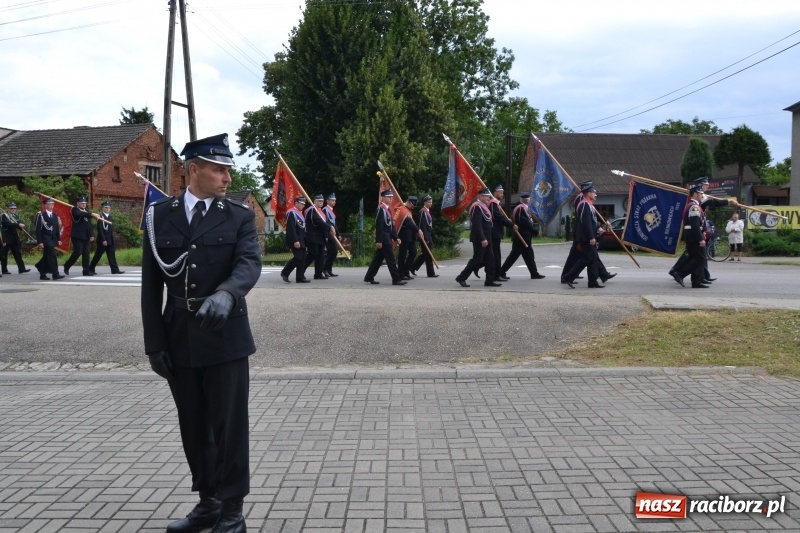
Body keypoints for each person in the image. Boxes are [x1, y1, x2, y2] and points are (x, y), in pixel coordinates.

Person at [141, 133, 261, 533]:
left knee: (229, 429)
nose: (227, 177)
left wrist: (228, 294)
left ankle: (232, 512)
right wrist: (154, 344)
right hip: (179, 338)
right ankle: (207, 503)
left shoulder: (239, 215)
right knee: (194, 426)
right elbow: (150, 285)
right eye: (218, 169)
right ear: (194, 170)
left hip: (225, 337)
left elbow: (248, 264)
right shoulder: (159, 216)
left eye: (228, 169)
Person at [669, 176, 739, 284]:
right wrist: (729, 201)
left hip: (696, 232)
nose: (707, 186)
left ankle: (698, 277)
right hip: (694, 233)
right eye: (705, 185)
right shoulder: (696, 203)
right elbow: (713, 204)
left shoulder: (698, 200)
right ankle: (680, 272)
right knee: (698, 257)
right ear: (698, 189)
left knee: (694, 255)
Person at [560, 184, 616, 285]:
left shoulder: (589, 204)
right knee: (587, 258)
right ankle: (568, 277)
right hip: (585, 238)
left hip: (588, 237)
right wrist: (591, 237)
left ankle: (594, 281)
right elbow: (586, 222)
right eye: (594, 192)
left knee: (593, 258)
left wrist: (600, 227)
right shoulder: (584, 204)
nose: (596, 195)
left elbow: (593, 221)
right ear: (588, 193)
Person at [456, 188, 501, 288]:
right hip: (480, 239)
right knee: (476, 259)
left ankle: (489, 280)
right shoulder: (477, 207)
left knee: (491, 260)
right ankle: (461, 278)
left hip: (487, 238)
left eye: (488, 196)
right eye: (486, 196)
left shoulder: (483, 206)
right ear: (479, 196)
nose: (488, 198)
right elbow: (477, 225)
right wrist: (482, 238)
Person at [364, 189, 406, 285]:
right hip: (384, 238)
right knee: (391, 259)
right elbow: (379, 226)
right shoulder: (381, 209)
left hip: (387, 237)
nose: (391, 198)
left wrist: (396, 237)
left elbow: (390, 226)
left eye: (391, 197)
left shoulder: (387, 210)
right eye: (388, 197)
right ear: (383, 197)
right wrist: (379, 240)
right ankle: (396, 279)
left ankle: (369, 276)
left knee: (378, 259)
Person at [671, 185, 709, 288]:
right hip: (694, 236)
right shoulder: (694, 207)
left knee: (693, 257)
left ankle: (696, 281)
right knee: (700, 258)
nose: (702, 195)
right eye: (701, 194)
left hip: (692, 235)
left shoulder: (694, 205)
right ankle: (680, 273)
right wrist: (700, 238)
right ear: (695, 194)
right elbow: (695, 224)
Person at [500, 193, 545, 280]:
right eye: (529, 200)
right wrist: (534, 231)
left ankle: (534, 273)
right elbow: (524, 222)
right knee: (513, 257)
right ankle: (501, 272)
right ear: (526, 200)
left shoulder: (525, 208)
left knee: (529, 256)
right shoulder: (520, 208)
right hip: (520, 237)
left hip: (526, 237)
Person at [487, 185, 516, 280]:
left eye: (502, 192)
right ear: (495, 193)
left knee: (495, 255)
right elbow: (497, 217)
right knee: (495, 255)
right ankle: (496, 275)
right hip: (493, 232)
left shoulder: (496, 204)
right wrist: (511, 225)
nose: (502, 194)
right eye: (500, 192)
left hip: (496, 233)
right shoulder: (492, 204)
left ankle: (497, 273)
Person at [63, 196, 97, 276]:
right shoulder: (74, 209)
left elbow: (89, 225)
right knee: (78, 252)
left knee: (86, 253)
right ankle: (67, 265)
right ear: (78, 203)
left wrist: (91, 235)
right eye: (82, 203)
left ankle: (86, 270)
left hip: (86, 236)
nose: (84, 205)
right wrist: (92, 214)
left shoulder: (87, 211)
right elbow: (79, 214)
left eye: (85, 203)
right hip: (77, 236)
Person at [89, 201, 124, 274]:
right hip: (103, 240)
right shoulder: (100, 216)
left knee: (112, 255)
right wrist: (103, 240)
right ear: (103, 208)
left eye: (108, 208)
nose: (107, 209)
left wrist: (112, 239)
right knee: (98, 255)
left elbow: (110, 229)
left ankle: (115, 270)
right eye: (106, 207)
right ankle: (91, 268)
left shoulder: (110, 217)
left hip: (110, 240)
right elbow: (100, 229)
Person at [34, 197, 65, 280]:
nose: (51, 206)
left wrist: (58, 239)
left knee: (47, 257)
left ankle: (41, 270)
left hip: (53, 239)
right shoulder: (41, 215)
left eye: (52, 204)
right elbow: (38, 230)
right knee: (52, 256)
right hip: (45, 239)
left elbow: (56, 230)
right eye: (49, 204)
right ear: (45, 205)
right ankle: (55, 274)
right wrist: (40, 242)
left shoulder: (55, 216)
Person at [280, 196, 310, 283]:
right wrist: (295, 240)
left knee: (303, 258)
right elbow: (291, 228)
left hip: (301, 239)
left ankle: (300, 277)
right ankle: (285, 272)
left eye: (304, 204)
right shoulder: (292, 212)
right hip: (295, 239)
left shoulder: (299, 213)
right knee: (298, 257)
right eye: (301, 204)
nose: (303, 206)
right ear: (296, 203)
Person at [304, 194, 330, 280]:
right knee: (312, 255)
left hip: (320, 237)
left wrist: (326, 235)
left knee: (320, 256)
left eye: (322, 201)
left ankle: (318, 274)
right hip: (312, 237)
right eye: (319, 201)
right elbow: (318, 221)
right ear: (314, 201)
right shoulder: (312, 210)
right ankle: (301, 271)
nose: (321, 203)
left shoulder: (321, 211)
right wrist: (330, 228)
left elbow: (325, 223)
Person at [410, 194, 438, 278]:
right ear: (425, 202)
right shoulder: (423, 212)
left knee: (425, 254)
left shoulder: (427, 211)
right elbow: (422, 226)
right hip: (425, 236)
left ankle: (413, 267)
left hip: (428, 235)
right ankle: (431, 273)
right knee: (428, 255)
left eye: (431, 202)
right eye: (429, 202)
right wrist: (425, 238)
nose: (430, 203)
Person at [397, 196, 423, 280]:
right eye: (413, 205)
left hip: (410, 236)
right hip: (403, 236)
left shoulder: (408, 210)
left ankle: (406, 270)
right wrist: (418, 230)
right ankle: (401, 273)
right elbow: (408, 222)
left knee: (413, 253)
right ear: (409, 202)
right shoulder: (401, 209)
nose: (413, 207)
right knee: (402, 255)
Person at [1, 202, 31, 275]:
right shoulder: (4, 216)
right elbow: (7, 224)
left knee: (17, 253)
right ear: (8, 209)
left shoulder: (16, 216)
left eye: (14, 208)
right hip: (6, 238)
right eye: (11, 208)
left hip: (14, 238)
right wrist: (18, 225)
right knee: (4, 255)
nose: (13, 209)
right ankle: (4, 270)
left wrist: (21, 226)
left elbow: (18, 224)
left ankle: (22, 269)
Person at [322, 192, 340, 277]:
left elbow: (334, 224)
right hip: (328, 234)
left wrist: (338, 234)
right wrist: (325, 236)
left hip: (333, 234)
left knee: (332, 252)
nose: (334, 202)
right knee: (333, 251)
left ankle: (328, 269)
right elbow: (325, 223)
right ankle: (325, 269)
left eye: (334, 200)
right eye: (332, 200)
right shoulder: (325, 210)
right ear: (327, 201)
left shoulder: (331, 211)